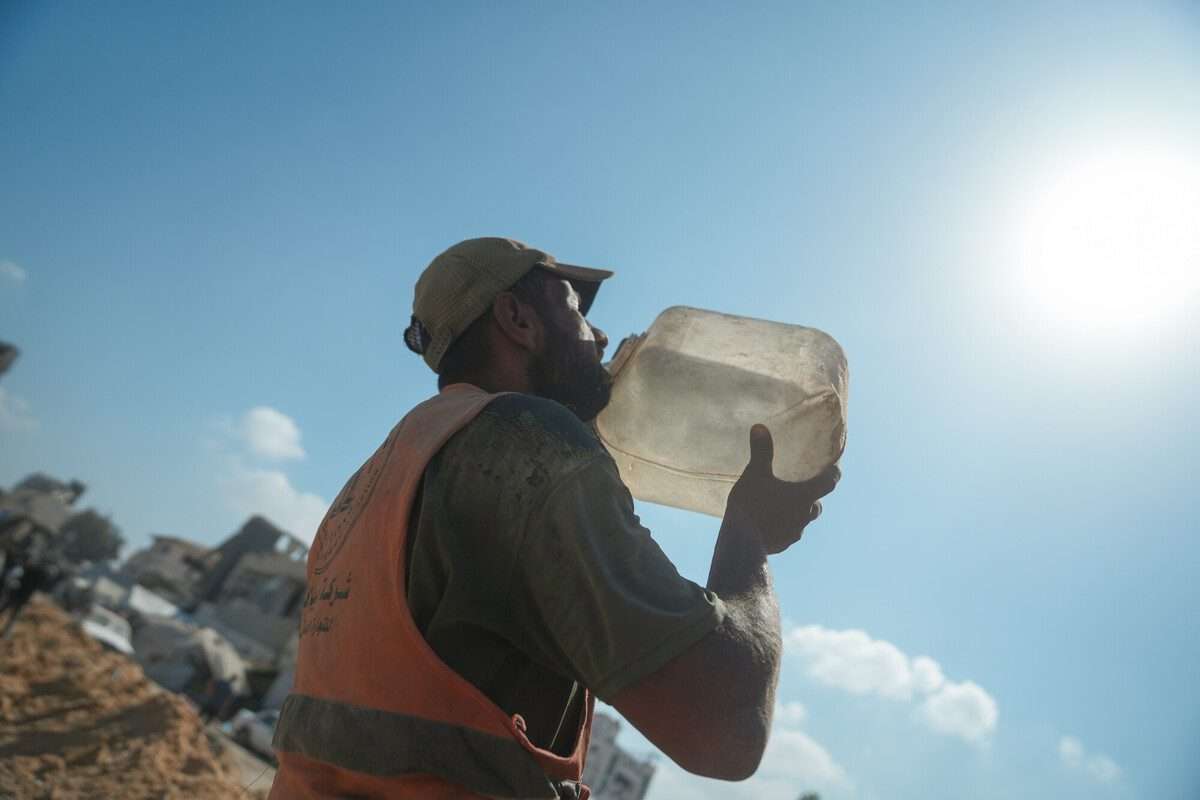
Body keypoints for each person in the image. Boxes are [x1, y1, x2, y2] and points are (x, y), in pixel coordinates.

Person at [269, 237, 840, 799]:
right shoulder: (526, 442)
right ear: (517, 319)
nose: (602, 336)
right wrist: (751, 534)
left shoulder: (385, 473)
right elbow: (724, 730)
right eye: (573, 309)